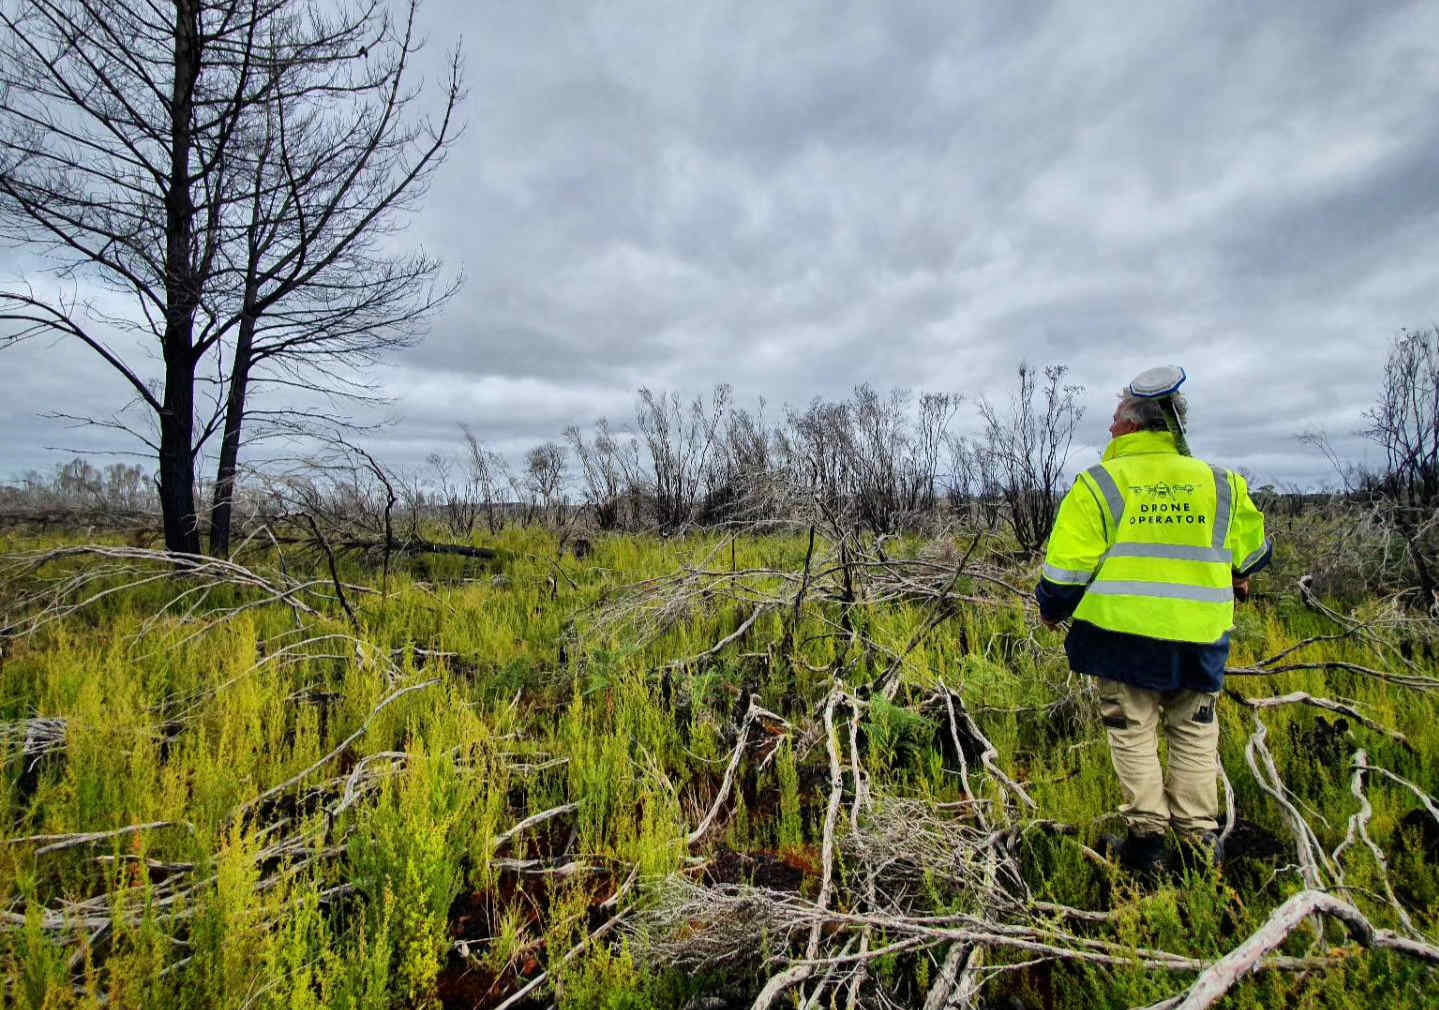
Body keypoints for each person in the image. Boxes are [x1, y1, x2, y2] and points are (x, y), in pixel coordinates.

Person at [1035, 365, 1271, 878]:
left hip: (1123, 637)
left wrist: (1052, 609)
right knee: (1194, 731)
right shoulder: (1221, 484)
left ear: (1138, 426)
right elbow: (1252, 555)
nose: (1110, 430)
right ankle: (1199, 840)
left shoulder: (1100, 484)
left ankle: (1148, 844)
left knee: (1132, 732)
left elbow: (1066, 569)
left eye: (1116, 421)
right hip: (1201, 637)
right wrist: (1236, 575)